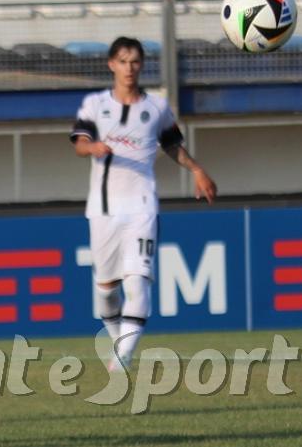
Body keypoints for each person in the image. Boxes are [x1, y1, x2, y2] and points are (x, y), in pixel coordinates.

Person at [69, 36, 216, 371]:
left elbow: (172, 145)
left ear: (142, 65)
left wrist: (197, 170)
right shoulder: (95, 104)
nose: (129, 68)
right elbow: (79, 143)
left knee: (138, 280)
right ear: (111, 64)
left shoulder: (157, 108)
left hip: (142, 207)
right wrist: (92, 148)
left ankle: (124, 355)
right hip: (103, 209)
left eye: (135, 61)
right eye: (123, 61)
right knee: (106, 290)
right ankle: (118, 342)